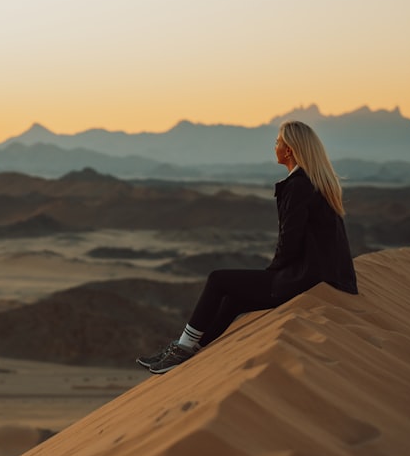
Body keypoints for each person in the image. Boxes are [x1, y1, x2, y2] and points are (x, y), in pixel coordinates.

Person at [138, 119, 358, 374]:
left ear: (288, 150)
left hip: (305, 280)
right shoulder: (318, 183)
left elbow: (290, 240)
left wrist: (274, 272)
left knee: (218, 279)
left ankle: (182, 348)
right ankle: (189, 349)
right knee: (234, 298)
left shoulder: (298, 185)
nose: (274, 146)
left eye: (277, 142)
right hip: (324, 277)